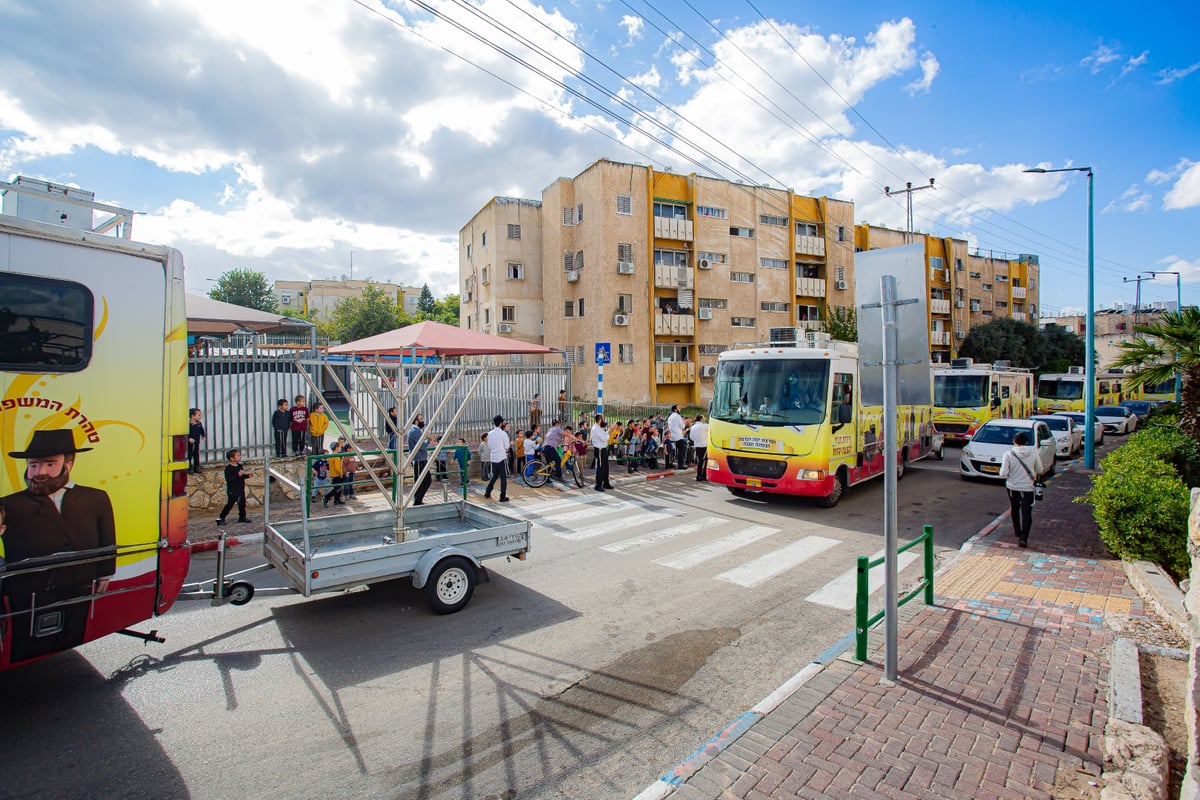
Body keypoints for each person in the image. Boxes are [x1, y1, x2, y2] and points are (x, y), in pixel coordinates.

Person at [2, 429, 116, 663]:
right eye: (33, 465)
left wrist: (105, 572)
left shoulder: (95, 498)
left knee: (72, 636)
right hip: (30, 591)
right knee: (26, 646)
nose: (40, 472)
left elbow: (107, 537)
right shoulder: (10, 505)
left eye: (50, 464)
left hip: (80, 584)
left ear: (69, 464)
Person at [998, 431, 1038, 548]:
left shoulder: (1008, 454)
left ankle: (1017, 530)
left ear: (1014, 442)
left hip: (1013, 487)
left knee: (1015, 508)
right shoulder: (1033, 452)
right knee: (1027, 512)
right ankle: (1024, 537)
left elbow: (1003, 473)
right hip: (1028, 487)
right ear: (1026, 442)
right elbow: (1040, 469)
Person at [217, 448, 253, 525]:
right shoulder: (228, 469)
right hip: (232, 490)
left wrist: (247, 476)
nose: (239, 457)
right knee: (230, 504)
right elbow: (229, 479)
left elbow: (241, 477)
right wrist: (238, 475)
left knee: (242, 503)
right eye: (237, 455)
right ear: (232, 458)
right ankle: (221, 517)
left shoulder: (239, 466)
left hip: (240, 488)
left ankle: (242, 517)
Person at [483, 415, 511, 502]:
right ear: (501, 423)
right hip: (501, 457)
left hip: (493, 458)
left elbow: (489, 446)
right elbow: (507, 446)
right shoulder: (503, 434)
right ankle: (502, 496)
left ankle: (488, 491)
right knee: (503, 478)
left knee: (495, 476)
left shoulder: (490, 434)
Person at [407, 412, 431, 506]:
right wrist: (429, 439)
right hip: (418, 460)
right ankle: (417, 501)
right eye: (421, 419)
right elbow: (422, 446)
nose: (423, 421)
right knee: (424, 480)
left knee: (422, 481)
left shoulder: (415, 430)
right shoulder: (415, 431)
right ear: (416, 421)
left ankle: (418, 500)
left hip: (420, 459)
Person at [590, 414, 613, 491]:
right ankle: (598, 485)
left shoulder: (599, 428)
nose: (604, 420)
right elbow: (604, 438)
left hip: (603, 449)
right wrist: (610, 431)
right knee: (600, 467)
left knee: (605, 467)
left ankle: (606, 483)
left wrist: (609, 431)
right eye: (603, 418)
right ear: (600, 419)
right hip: (599, 450)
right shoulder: (595, 429)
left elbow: (605, 435)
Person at [691, 414, 710, 481]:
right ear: (701, 419)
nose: (705, 418)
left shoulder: (693, 427)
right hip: (705, 445)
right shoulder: (706, 426)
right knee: (706, 461)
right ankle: (704, 475)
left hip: (697, 445)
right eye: (704, 417)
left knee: (700, 461)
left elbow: (691, 437)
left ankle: (698, 476)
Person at [325, 443, 345, 507]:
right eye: (339, 447)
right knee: (337, 489)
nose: (340, 448)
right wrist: (341, 473)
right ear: (336, 448)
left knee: (337, 488)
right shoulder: (336, 457)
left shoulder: (331, 456)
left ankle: (337, 500)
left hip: (333, 474)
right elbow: (337, 468)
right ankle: (326, 497)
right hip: (337, 475)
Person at [188, 407, 206, 474]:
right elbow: (186, 433)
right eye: (198, 415)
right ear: (192, 416)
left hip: (197, 441)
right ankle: (189, 467)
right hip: (190, 442)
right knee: (189, 454)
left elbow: (201, 429)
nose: (200, 416)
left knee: (196, 454)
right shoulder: (188, 424)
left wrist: (203, 435)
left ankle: (197, 466)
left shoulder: (199, 423)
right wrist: (189, 438)